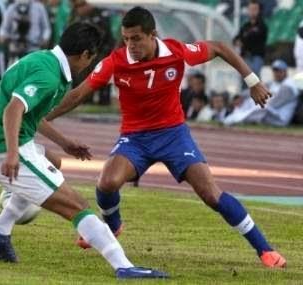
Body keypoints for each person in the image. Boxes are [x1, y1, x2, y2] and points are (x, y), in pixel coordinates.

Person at [46, 6, 286, 268]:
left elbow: (219, 47)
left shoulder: (175, 51)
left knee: (210, 194)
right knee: (106, 183)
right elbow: (78, 94)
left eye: (136, 38)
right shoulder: (116, 61)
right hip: (135, 138)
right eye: (126, 39)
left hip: (173, 135)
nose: (130, 45)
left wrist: (253, 81)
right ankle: (113, 227)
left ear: (152, 35)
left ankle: (265, 250)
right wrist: (42, 117)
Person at [0, 22, 168, 279]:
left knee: (55, 162)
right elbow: (13, 110)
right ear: (85, 55)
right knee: (78, 206)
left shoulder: (44, 60)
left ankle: (0, 230)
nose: (90, 64)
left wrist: (65, 143)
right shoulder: (49, 76)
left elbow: (30, 113)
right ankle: (124, 266)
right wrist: (11, 154)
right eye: (91, 59)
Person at [224, 59, 299, 127]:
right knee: (249, 100)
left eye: (279, 71)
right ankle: (232, 116)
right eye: (275, 71)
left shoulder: (289, 86)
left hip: (280, 117)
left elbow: (274, 104)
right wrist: (241, 96)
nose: (276, 73)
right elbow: (257, 88)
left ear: (285, 71)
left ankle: (234, 120)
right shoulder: (273, 83)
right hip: (270, 112)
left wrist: (257, 105)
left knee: (262, 108)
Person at [233, 0, 267, 78]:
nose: (252, 12)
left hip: (256, 57)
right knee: (244, 80)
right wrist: (241, 40)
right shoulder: (245, 26)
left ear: (259, 11)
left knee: (253, 78)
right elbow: (236, 39)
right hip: (245, 57)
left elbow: (253, 38)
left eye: (255, 9)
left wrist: (243, 40)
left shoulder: (262, 26)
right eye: (251, 9)